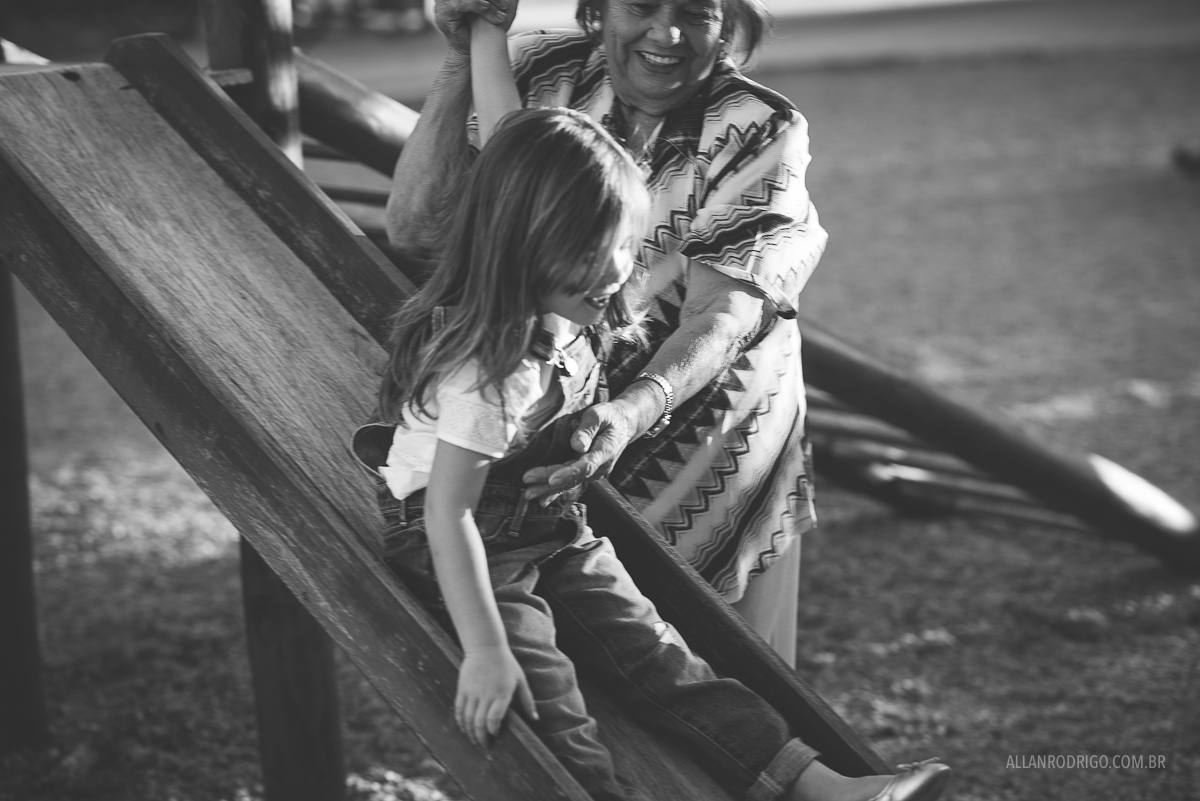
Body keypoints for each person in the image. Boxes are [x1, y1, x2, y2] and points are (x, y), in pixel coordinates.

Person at [355, 20, 952, 801]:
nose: (617, 270)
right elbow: (448, 515)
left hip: (547, 523)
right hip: (470, 542)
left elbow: (510, 147)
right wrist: (486, 648)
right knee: (548, 704)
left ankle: (814, 783)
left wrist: (487, 36)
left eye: (623, 244)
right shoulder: (492, 373)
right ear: (525, 242)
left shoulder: (562, 304)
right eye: (595, 250)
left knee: (664, 657)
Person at [386, 0, 826, 666]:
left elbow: (723, 311)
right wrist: (460, 60)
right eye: (641, 4)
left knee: (723, 660)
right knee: (583, 655)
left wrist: (632, 410)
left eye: (696, 11)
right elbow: (419, 227)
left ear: (730, 20)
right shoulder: (538, 68)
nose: (667, 32)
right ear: (598, 8)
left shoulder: (757, 125)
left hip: (709, 439)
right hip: (549, 432)